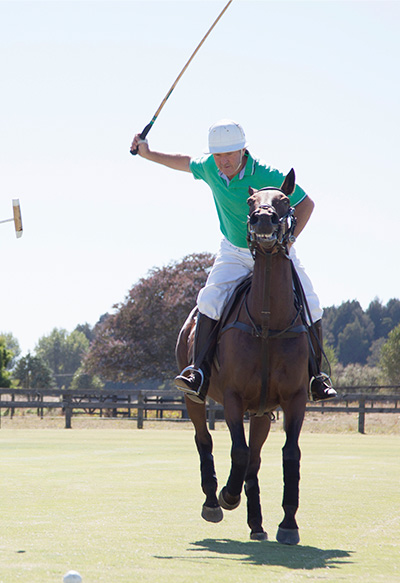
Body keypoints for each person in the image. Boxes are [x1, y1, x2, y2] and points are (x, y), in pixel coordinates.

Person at [131, 119, 336, 402]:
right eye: (218, 155)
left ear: (243, 150)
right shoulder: (210, 168)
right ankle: (198, 373)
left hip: (276, 253)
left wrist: (288, 241)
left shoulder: (267, 173)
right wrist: (147, 153)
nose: (223, 162)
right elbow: (186, 162)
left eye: (229, 154)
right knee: (209, 301)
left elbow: (307, 204)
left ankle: (316, 378)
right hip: (235, 252)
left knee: (312, 304)